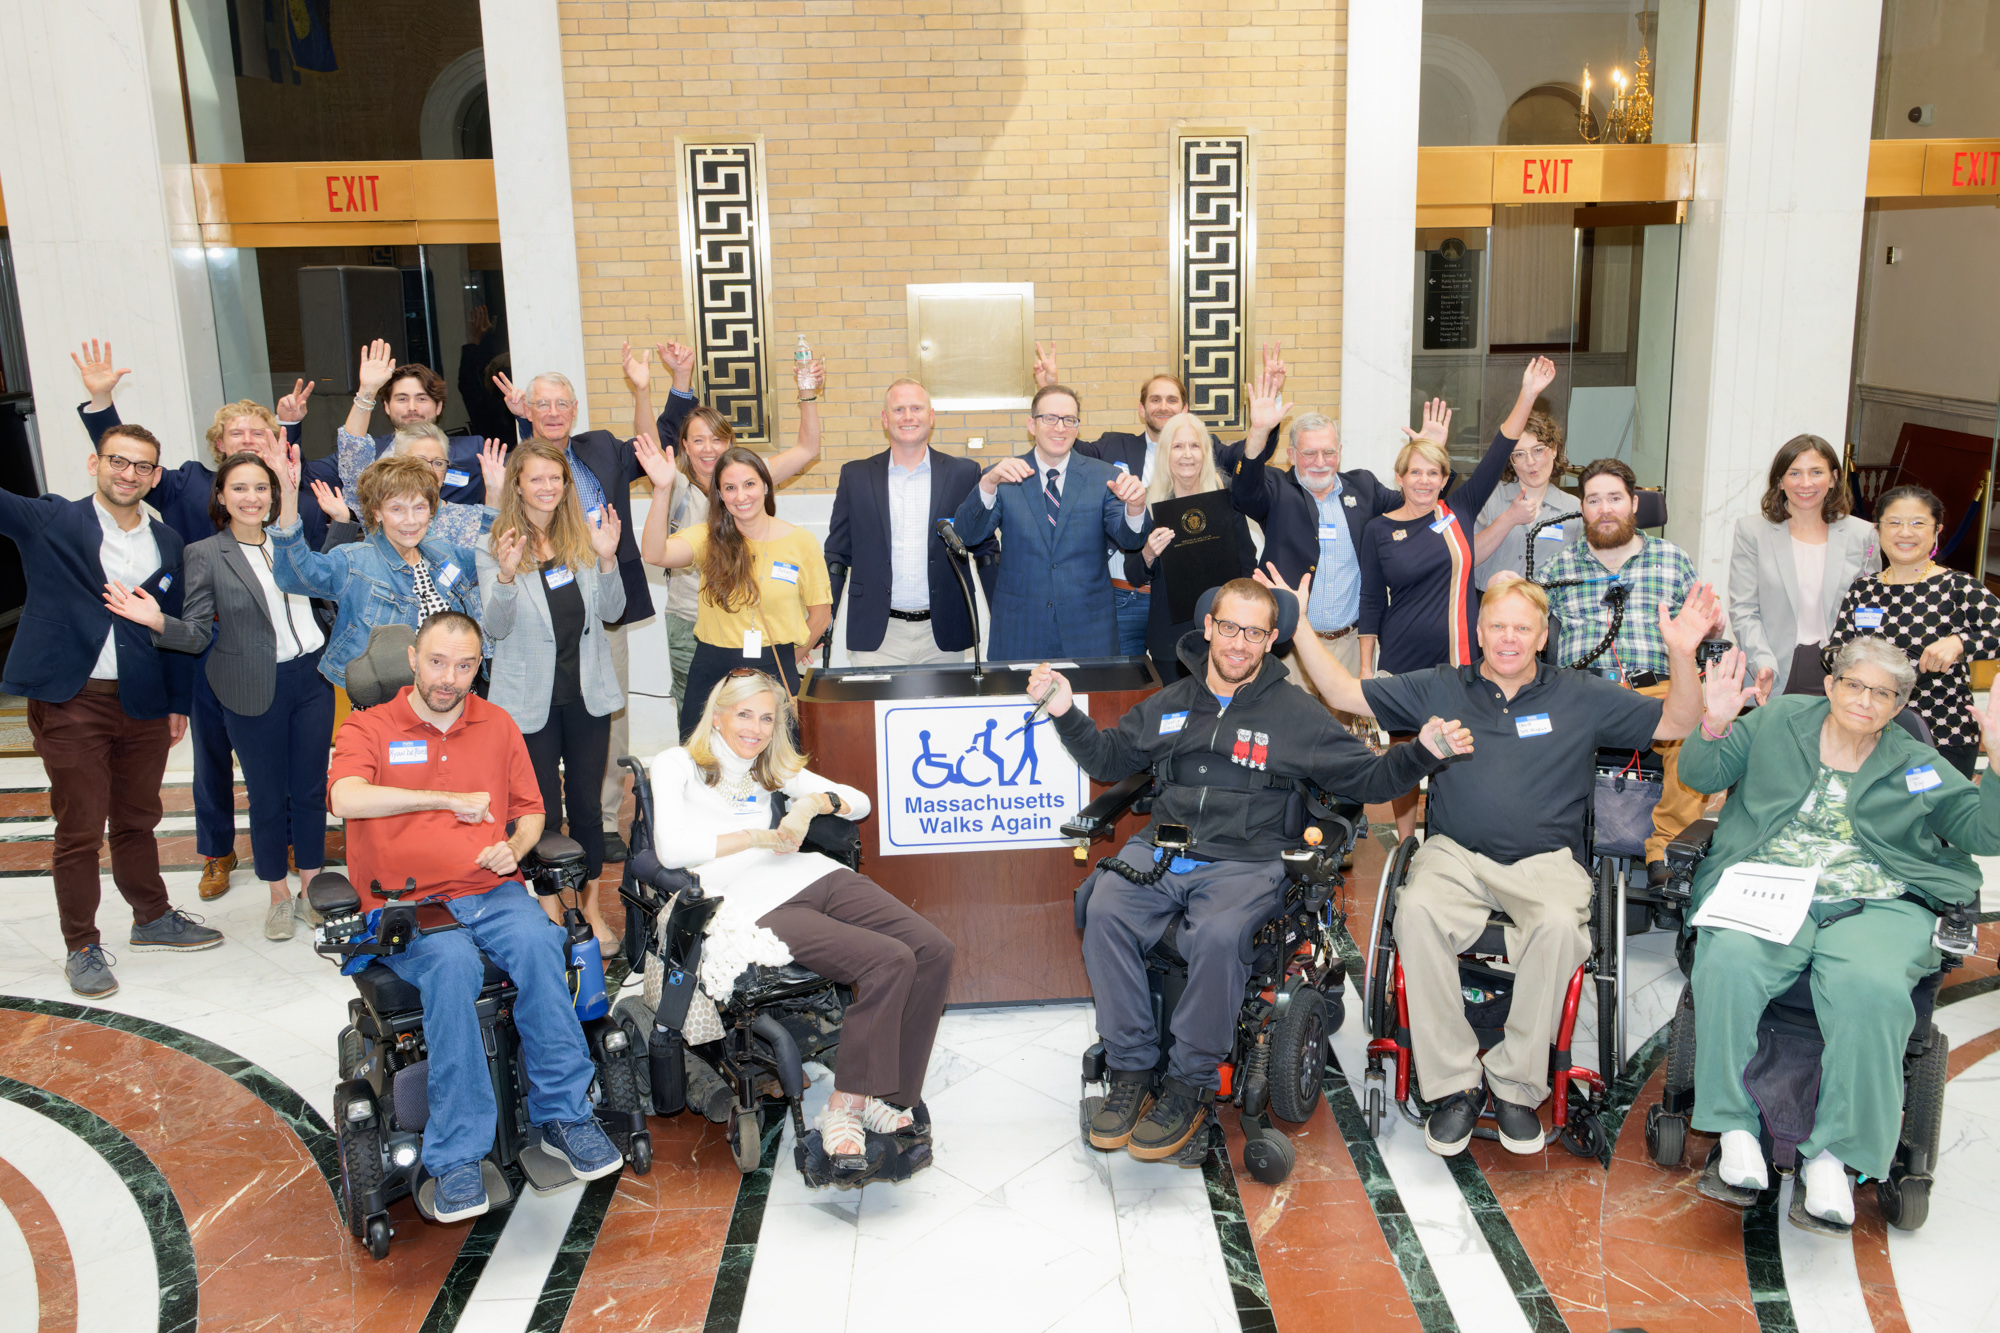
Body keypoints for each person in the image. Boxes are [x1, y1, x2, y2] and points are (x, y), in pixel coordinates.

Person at [1278, 567, 1717, 1156]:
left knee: (1562, 926)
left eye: (1522, 628)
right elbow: (1343, 694)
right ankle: (1455, 1085)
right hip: (1455, 854)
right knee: (1417, 912)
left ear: (1542, 636)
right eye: (1497, 626)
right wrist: (1299, 623)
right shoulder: (1443, 685)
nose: (1508, 638)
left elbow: (1677, 722)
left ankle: (1514, 1083)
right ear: (1479, 632)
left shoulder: (1579, 694)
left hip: (1546, 861)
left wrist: (1681, 653)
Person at [1029, 577, 1465, 1160]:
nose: (1239, 643)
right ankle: (1131, 1071)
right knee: (1103, 907)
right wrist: (1063, 709)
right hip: (1166, 849)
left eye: (1254, 633)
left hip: (1248, 860)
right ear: (1208, 627)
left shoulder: (1296, 714)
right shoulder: (1173, 703)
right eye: (1229, 627)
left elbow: (1368, 779)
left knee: (1214, 933)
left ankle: (1189, 1082)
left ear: (1271, 640)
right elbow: (1110, 759)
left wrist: (1422, 752)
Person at [1681, 637, 2000, 1234]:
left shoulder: (1917, 764)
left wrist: (1998, 765)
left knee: (1872, 987)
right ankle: (1734, 1130)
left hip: (1878, 900)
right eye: (1855, 684)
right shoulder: (1777, 721)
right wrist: (1717, 723)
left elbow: (1984, 831)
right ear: (1830, 686)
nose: (1865, 699)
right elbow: (1701, 772)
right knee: (1728, 961)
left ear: (1899, 705)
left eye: (1883, 693)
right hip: (1769, 887)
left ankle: (1836, 1158)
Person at [327, 612, 623, 1223]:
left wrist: (514, 847)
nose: (449, 678)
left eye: (465, 666)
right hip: (406, 903)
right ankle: (457, 1155)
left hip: (489, 888)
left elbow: (532, 811)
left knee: (545, 945)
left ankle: (564, 1115)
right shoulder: (370, 726)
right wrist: (443, 800)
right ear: (412, 657)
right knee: (453, 963)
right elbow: (344, 797)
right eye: (437, 662)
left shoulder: (497, 723)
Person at [649, 669, 951, 1177]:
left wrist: (808, 805)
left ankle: (888, 1095)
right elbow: (672, 849)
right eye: (744, 714)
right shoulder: (678, 764)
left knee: (934, 949)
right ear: (717, 715)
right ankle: (846, 1106)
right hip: (747, 900)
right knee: (889, 961)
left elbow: (860, 802)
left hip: (807, 875)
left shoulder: (771, 769)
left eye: (767, 718)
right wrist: (756, 837)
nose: (756, 728)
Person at [71, 339, 308, 902]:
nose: (247, 441)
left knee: (276, 750)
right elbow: (126, 464)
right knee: (210, 753)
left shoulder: (271, 490)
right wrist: (103, 404)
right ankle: (217, 850)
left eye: (259, 432)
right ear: (217, 444)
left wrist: (288, 432)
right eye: (237, 434)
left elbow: (289, 489)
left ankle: (292, 839)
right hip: (200, 641)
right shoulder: (182, 482)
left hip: (265, 640)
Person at [0, 421, 223, 998]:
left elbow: (172, 625)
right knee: (79, 828)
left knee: (137, 817)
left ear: (155, 475)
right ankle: (82, 945)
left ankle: (150, 917)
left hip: (144, 701)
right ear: (94, 463)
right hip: (71, 698)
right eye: (118, 461)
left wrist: (177, 702)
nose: (129, 474)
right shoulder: (53, 520)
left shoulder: (169, 541)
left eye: (142, 466)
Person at [109, 453, 337, 941]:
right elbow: (194, 633)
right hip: (251, 685)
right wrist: (157, 622)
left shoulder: (293, 542)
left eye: (261, 487)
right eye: (239, 488)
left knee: (311, 790)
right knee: (268, 796)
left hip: (311, 681)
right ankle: (278, 894)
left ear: (275, 495)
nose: (252, 497)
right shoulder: (206, 553)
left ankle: (312, 889)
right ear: (221, 496)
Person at [1358, 359, 1556, 840]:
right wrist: (1367, 669)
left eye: (1434, 473)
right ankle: (1407, 844)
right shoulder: (1379, 530)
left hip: (1463, 656)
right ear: (1400, 477)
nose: (1425, 481)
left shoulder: (1459, 511)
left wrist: (1527, 393)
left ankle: (1457, 836)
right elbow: (1370, 602)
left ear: (1446, 480)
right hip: (1405, 659)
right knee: (1408, 757)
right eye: (1415, 473)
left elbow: (1500, 449)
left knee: (1467, 747)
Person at [1536, 459, 1745, 886]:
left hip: (1659, 691)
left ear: (1634, 503)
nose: (1605, 508)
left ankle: (1665, 850)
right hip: (1583, 692)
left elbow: (1707, 624)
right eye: (1593, 500)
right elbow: (1527, 630)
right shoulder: (1558, 569)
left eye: (1615, 498)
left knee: (1693, 731)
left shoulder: (1671, 559)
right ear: (1582, 508)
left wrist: (1716, 627)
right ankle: (1549, 850)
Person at [1031, 341, 1285, 654]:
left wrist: (1261, 428)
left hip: (1197, 603)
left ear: (1185, 409)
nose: (1163, 406)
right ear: (1142, 409)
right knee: (1133, 686)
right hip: (1128, 596)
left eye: (1171, 400)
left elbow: (1248, 463)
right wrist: (1050, 390)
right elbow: (1066, 446)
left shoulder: (1208, 449)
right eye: (1154, 400)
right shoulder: (1113, 446)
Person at [477, 442, 627, 944]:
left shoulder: (583, 537)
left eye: (555, 479)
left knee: (586, 808)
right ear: (516, 484)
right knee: (539, 810)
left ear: (565, 485)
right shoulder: (495, 542)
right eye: (536, 478)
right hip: (526, 702)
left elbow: (612, 611)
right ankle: (550, 911)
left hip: (585, 697)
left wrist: (608, 561)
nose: (546, 487)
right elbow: (492, 629)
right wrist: (502, 574)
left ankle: (589, 909)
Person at [625, 340, 825, 716]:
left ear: (730, 443)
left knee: (761, 721)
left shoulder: (748, 478)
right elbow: (649, 444)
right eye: (697, 440)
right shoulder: (677, 483)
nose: (707, 449)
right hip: (692, 623)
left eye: (717, 439)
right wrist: (641, 390)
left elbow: (807, 447)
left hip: (755, 628)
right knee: (698, 720)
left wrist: (807, 394)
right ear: (683, 446)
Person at [639, 444, 832, 740]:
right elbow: (654, 554)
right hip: (712, 669)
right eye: (730, 487)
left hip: (775, 669)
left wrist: (791, 658)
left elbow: (820, 615)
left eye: (749, 484)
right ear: (719, 495)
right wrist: (662, 489)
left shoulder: (801, 541)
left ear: (766, 487)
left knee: (774, 771)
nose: (741, 496)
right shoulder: (708, 538)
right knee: (705, 768)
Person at [950, 384, 1150, 660]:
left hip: (1089, 632)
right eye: (1050, 418)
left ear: (1078, 427)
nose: (1060, 428)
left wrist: (1136, 507)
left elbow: (1131, 540)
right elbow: (967, 536)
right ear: (1032, 424)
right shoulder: (1004, 476)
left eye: (1069, 420)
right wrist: (987, 484)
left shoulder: (1105, 477)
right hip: (1019, 631)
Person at [1230, 385, 1400, 706]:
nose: (1320, 462)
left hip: (1350, 645)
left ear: (1340, 451)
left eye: (1329, 452)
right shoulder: (1277, 487)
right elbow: (1243, 492)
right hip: (1292, 647)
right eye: (1309, 454)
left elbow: (1414, 506)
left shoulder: (1363, 487)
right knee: (1290, 738)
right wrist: (1259, 431)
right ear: (1292, 455)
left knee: (1344, 741)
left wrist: (1428, 451)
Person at [1825, 485, 2000, 778]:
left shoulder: (1958, 587)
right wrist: (1851, 664)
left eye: (1918, 523)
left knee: (1936, 818)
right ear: (1878, 530)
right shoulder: (1863, 589)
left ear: (1937, 530)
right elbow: (1834, 649)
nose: (1905, 532)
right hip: (1869, 732)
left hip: (1942, 732)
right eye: (1894, 523)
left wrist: (1960, 643)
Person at [269, 453, 487, 688]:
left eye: (420, 507)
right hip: (387, 700)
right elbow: (294, 576)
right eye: (397, 509)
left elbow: (492, 560)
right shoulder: (354, 561)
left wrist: (495, 492)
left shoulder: (442, 552)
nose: (411, 520)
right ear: (377, 512)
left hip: (451, 690)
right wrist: (289, 499)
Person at [823, 378, 997, 666]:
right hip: (877, 636)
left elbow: (986, 550)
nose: (907, 417)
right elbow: (837, 556)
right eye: (899, 409)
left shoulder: (964, 473)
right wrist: (824, 617)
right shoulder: (855, 476)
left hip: (944, 634)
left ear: (931, 416)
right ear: (884, 419)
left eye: (916, 408)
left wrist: (1001, 613)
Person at [1728, 433, 1881, 696]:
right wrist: (1762, 663)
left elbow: (1871, 610)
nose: (1806, 483)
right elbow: (1744, 609)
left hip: (1841, 671)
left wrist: (1860, 664)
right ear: (1780, 481)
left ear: (1833, 478)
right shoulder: (1752, 531)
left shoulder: (1863, 534)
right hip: (1772, 667)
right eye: (1795, 473)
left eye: (1816, 472)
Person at [1124, 410, 1257, 679]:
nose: (1187, 454)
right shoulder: (1147, 503)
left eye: (1195, 445)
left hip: (1224, 636)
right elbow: (1133, 574)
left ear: (1206, 452)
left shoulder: (1226, 501)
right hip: (1169, 643)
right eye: (1178, 446)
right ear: (1165, 454)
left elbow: (1247, 567)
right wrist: (1148, 553)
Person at [328, 339, 497, 505]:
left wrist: (523, 418)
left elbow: (518, 471)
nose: (412, 407)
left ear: (438, 407)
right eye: (402, 399)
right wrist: (367, 390)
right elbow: (348, 452)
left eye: (422, 398)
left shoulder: (473, 451)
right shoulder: (369, 453)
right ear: (386, 407)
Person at [331, 421, 505, 548]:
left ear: (445, 473)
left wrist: (495, 492)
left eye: (438, 463)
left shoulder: (469, 517)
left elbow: (489, 558)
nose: (429, 470)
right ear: (398, 464)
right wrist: (367, 392)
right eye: (420, 461)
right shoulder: (383, 513)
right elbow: (353, 458)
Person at [1470, 410, 1580, 589]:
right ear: (1510, 460)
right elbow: (1466, 558)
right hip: (1490, 606)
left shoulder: (1574, 508)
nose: (1530, 462)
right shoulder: (1488, 497)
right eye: (1519, 454)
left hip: (1545, 611)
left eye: (1538, 450)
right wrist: (1508, 519)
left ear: (1554, 450)